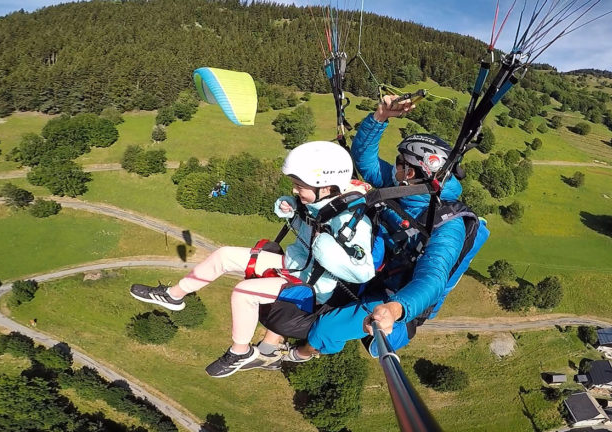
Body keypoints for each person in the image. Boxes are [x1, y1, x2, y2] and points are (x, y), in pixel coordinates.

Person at [129, 141, 375, 377]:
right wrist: (291, 210)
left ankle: (240, 352)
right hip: (296, 265)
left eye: (299, 186)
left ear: (326, 186)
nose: (294, 190)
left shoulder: (351, 222)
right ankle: (174, 296)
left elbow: (363, 272)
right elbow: (307, 231)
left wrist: (326, 249)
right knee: (224, 255)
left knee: (244, 293)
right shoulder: (323, 204)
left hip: (311, 287)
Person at [281, 96, 468, 361]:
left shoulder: (449, 225)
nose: (395, 166)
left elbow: (433, 279)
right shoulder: (400, 188)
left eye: (399, 162)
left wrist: (395, 308)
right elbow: (364, 161)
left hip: (398, 294)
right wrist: (379, 119)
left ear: (411, 173)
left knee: (325, 329)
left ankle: (298, 354)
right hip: (375, 265)